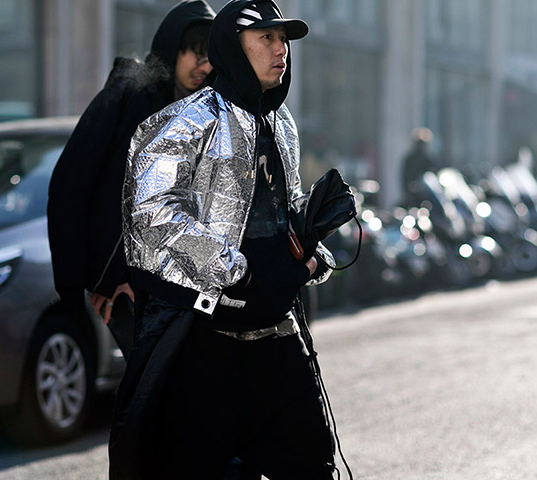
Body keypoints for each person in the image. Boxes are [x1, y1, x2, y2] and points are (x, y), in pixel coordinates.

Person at [110, 1, 338, 478]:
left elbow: (285, 208)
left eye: (284, 40)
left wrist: (313, 247)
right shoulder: (185, 122)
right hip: (205, 346)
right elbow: (149, 212)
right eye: (267, 39)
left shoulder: (282, 123)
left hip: (278, 340)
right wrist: (236, 270)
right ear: (234, 48)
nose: (281, 50)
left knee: (312, 464)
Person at [47, 0, 216, 342]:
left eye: (210, 56)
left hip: (180, 287)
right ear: (173, 48)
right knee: (151, 390)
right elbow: (72, 182)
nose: (204, 65)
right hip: (126, 288)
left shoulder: (206, 113)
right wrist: (97, 280)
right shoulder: (132, 94)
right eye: (194, 53)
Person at [401, 127, 437, 205]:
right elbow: (405, 177)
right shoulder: (410, 159)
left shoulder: (428, 159)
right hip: (412, 196)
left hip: (426, 195)